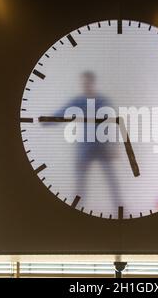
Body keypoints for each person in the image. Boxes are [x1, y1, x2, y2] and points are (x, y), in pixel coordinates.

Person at [45, 71, 122, 210]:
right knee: (80, 183)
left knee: (112, 181)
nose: (84, 85)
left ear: (93, 83)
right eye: (82, 83)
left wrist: (115, 147)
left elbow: (113, 124)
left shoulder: (103, 101)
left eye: (87, 82)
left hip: (101, 147)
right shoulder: (78, 101)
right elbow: (62, 113)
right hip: (84, 149)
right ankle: (77, 211)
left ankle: (120, 209)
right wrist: (45, 120)